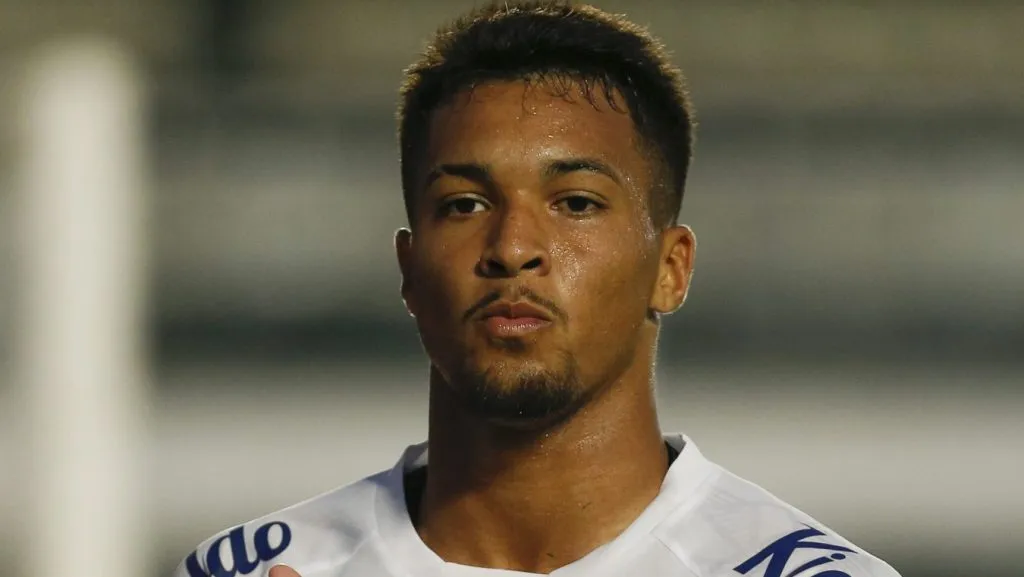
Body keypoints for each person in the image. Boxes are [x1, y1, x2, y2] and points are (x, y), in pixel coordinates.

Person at [175, 2, 902, 576]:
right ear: (408, 270)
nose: (512, 248)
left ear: (671, 267)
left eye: (576, 203)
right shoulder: (263, 567)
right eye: (464, 204)